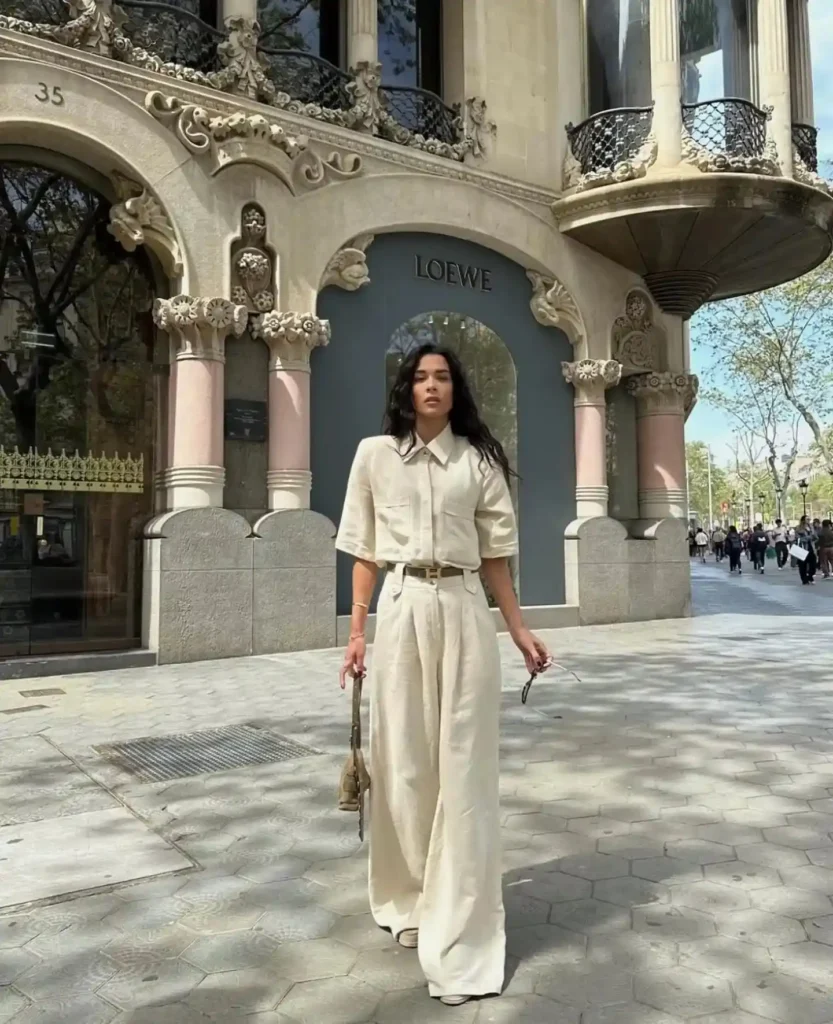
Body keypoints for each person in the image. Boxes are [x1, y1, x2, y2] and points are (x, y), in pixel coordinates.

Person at [336, 343, 550, 1006]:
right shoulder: (374, 455)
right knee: (401, 764)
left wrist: (517, 630)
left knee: (463, 768)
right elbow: (365, 554)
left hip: (462, 612)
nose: (431, 386)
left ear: (456, 391)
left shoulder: (479, 462)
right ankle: (407, 896)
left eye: (443, 377)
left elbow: (495, 562)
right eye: (421, 377)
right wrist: (354, 633)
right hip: (399, 610)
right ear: (407, 388)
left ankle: (459, 933)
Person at [795, 515, 818, 585]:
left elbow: (815, 536)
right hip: (802, 547)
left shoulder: (811, 527)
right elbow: (798, 538)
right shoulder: (799, 528)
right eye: (807, 519)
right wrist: (808, 538)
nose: (809, 520)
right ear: (803, 520)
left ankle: (810, 576)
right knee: (802, 565)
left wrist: (814, 539)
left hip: (811, 547)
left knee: (813, 563)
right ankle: (804, 579)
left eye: (809, 519)